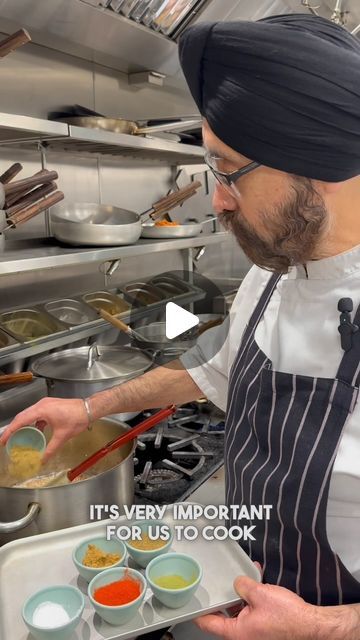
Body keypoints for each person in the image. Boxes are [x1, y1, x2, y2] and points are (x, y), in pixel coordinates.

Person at [2, 12, 360, 639]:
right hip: (244, 576)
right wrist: (89, 411)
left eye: (226, 171)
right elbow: (206, 371)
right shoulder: (274, 273)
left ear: (315, 164)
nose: (217, 200)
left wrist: (321, 628)